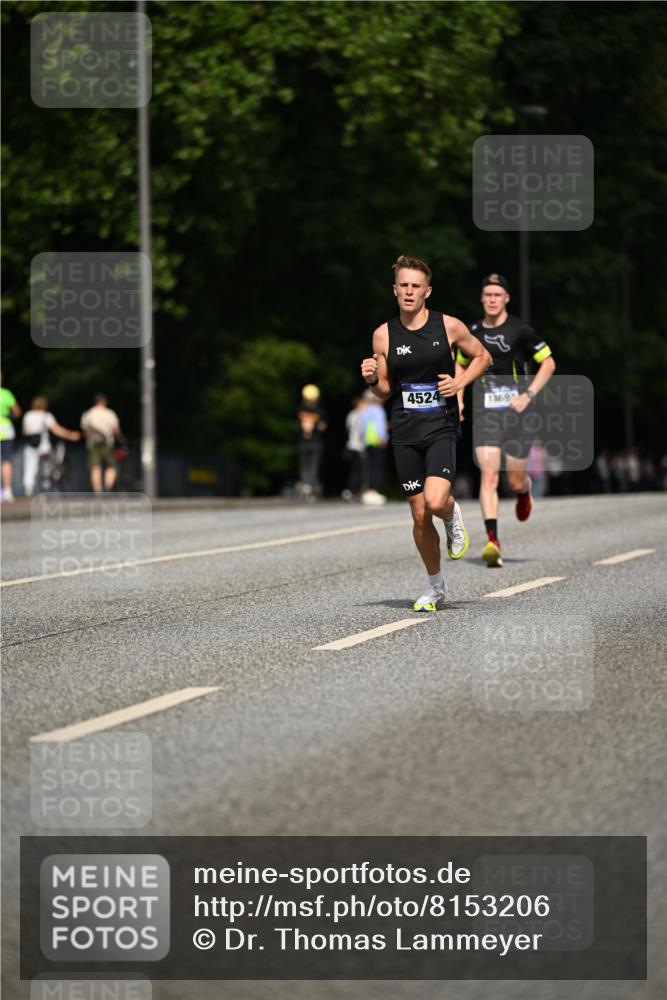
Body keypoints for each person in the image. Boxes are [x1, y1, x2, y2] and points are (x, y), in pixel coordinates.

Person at [360, 254, 491, 611]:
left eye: (415, 286)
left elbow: (483, 357)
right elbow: (385, 390)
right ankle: (435, 587)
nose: (408, 291)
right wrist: (372, 378)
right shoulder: (383, 335)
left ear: (427, 291)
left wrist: (460, 381)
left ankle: (451, 514)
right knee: (419, 515)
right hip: (405, 429)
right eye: (403, 285)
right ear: (394, 290)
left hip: (440, 425)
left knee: (435, 502)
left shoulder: (447, 326)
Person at [456, 274, 556, 568]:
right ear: (482, 298)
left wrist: (529, 395)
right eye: (487, 294)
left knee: (513, 479)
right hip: (486, 411)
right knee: (488, 473)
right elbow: (460, 363)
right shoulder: (472, 331)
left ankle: (523, 492)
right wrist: (459, 397)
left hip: (518, 413)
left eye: (497, 295)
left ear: (506, 298)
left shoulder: (521, 330)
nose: (491, 299)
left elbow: (549, 363)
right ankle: (492, 542)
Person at [22, 396, 81, 496]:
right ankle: (45, 488)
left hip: (30, 446)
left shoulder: (28, 415)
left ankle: (29, 491)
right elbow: (57, 430)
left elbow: (24, 431)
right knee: (46, 467)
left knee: (30, 468)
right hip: (44, 446)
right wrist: (71, 435)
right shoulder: (46, 416)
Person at [80, 393, 122, 493]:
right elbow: (116, 430)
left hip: (93, 443)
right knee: (111, 465)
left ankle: (98, 491)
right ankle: (108, 486)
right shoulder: (110, 413)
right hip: (107, 443)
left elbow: (86, 431)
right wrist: (119, 438)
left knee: (95, 466)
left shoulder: (89, 413)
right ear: (105, 402)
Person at [359, 388, 389, 505]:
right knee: (376, 466)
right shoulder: (378, 410)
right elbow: (381, 426)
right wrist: (383, 438)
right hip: (377, 441)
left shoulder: (365, 411)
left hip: (367, 442)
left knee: (369, 466)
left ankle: (368, 489)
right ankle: (374, 489)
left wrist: (363, 439)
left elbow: (361, 428)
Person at [296, 384, 327, 499]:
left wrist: (318, 426)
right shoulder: (300, 409)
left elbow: (323, 426)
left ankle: (309, 487)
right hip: (303, 441)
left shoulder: (320, 410)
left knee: (313, 465)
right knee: (304, 464)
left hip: (316, 442)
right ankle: (306, 486)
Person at [0, 374, 21, 502]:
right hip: (5, 429)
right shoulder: (6, 394)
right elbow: (17, 412)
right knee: (6, 461)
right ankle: (7, 491)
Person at [342, 395, 367, 502]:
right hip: (357, 446)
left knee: (356, 470)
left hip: (352, 445)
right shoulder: (358, 415)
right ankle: (351, 491)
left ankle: (353, 491)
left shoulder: (351, 415)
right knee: (357, 471)